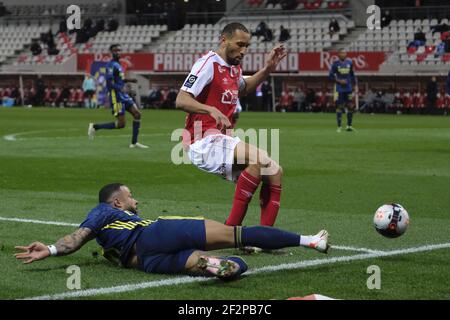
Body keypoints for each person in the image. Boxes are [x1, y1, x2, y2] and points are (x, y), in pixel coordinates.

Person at [14, 183, 330, 279]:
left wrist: (53, 251)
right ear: (117, 200)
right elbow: (77, 237)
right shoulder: (105, 210)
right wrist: (54, 248)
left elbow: (77, 241)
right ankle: (311, 241)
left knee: (236, 266)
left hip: (146, 262)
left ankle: (212, 264)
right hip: (154, 235)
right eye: (130, 194)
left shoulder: (108, 227)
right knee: (237, 233)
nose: (135, 198)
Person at [175, 23, 287, 229]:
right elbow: (181, 100)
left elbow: (244, 88)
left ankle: (264, 237)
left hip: (222, 139)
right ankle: (230, 231)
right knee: (260, 158)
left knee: (274, 170)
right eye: (240, 44)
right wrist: (210, 110)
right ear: (223, 40)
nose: (243, 51)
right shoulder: (208, 64)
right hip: (202, 140)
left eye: (247, 46)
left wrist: (268, 69)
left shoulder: (234, 69)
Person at [88, 44, 148, 149]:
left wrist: (130, 81)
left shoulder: (118, 65)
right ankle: (95, 127)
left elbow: (119, 80)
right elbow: (109, 83)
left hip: (123, 95)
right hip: (116, 96)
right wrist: (122, 89)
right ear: (111, 53)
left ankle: (134, 143)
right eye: (115, 50)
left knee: (137, 114)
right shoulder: (110, 65)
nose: (118, 52)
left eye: (119, 50)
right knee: (121, 124)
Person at [329, 48, 357, 132]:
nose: (343, 54)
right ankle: (339, 126)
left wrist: (354, 85)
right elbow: (330, 76)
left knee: (350, 106)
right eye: (342, 53)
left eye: (345, 53)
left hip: (348, 88)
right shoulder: (335, 64)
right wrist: (339, 81)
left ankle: (349, 125)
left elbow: (352, 75)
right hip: (339, 89)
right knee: (339, 106)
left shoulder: (350, 62)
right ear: (338, 54)